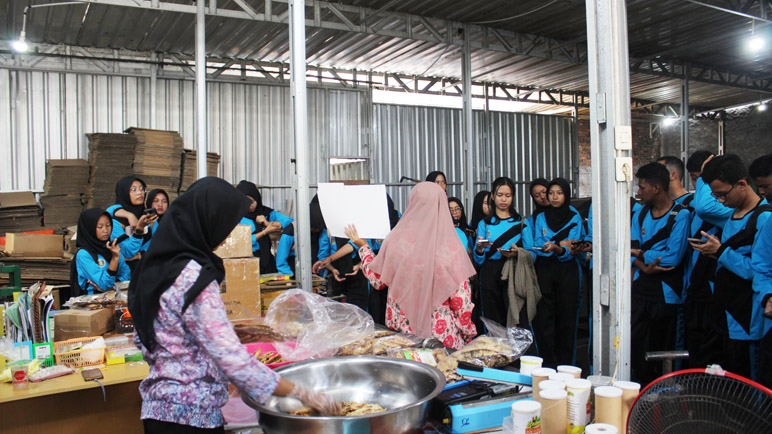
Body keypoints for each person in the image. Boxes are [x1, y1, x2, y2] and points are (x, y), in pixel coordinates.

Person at [128, 177, 338, 433]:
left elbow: (152, 336)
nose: (228, 236)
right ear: (207, 223)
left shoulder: (150, 270)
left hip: (156, 413)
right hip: (193, 418)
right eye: (225, 226)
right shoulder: (194, 278)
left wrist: (230, 333)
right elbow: (232, 360)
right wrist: (301, 393)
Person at [343, 182, 477, 350]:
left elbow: (377, 280)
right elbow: (461, 301)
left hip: (401, 339)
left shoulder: (397, 241)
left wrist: (363, 247)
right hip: (441, 340)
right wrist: (467, 334)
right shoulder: (450, 247)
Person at [690, 155, 771, 379]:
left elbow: (758, 269)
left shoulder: (764, 219)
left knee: (751, 383)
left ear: (742, 184)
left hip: (748, 317)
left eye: (723, 195)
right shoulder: (733, 215)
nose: (721, 202)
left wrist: (721, 252)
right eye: (716, 196)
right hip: (726, 312)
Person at [629, 163, 690, 384]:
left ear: (657, 188)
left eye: (642, 187)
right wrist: (644, 264)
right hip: (640, 287)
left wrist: (640, 254)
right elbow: (629, 248)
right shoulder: (640, 212)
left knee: (661, 346)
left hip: (666, 294)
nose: (638, 191)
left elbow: (673, 258)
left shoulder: (680, 215)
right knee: (635, 344)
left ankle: (661, 391)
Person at [683, 151, 732, 370]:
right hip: (697, 286)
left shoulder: (726, 207)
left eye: (697, 177)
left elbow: (703, 206)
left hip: (715, 290)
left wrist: (705, 175)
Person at [531, 178, 585, 368]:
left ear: (566, 195)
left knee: (567, 321)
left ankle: (567, 367)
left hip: (567, 273)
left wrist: (557, 247)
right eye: (551, 193)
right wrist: (559, 245)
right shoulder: (540, 217)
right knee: (544, 320)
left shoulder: (574, 216)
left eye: (559, 193)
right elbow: (538, 242)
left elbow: (573, 247)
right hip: (544, 271)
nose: (554, 197)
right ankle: (547, 366)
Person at [473, 177, 535, 330]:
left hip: (514, 271)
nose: (503, 199)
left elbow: (532, 254)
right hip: (489, 273)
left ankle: (517, 353)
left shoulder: (521, 222)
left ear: (513, 197)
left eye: (508, 195)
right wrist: (480, 249)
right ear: (493, 196)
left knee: (517, 318)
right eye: (500, 195)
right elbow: (478, 260)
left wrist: (517, 254)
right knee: (492, 319)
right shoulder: (485, 224)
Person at [235, 181, 293, 274]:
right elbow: (241, 241)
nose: (250, 205)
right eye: (246, 201)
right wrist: (265, 232)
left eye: (252, 201)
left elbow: (290, 222)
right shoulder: (236, 217)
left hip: (267, 259)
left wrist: (267, 223)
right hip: (247, 261)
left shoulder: (266, 213)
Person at [71, 208, 131, 295]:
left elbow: (127, 275)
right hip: (93, 304)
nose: (105, 230)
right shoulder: (84, 254)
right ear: (89, 228)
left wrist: (112, 288)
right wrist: (114, 259)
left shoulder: (111, 247)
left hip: (116, 299)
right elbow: (104, 284)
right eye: (100, 227)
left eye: (108, 225)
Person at [107, 176, 158, 271]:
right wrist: (138, 230)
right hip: (123, 274)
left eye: (142, 189)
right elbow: (127, 253)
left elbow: (158, 247)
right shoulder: (115, 222)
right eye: (133, 190)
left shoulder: (148, 219)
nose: (140, 192)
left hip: (148, 269)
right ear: (124, 193)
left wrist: (140, 255)